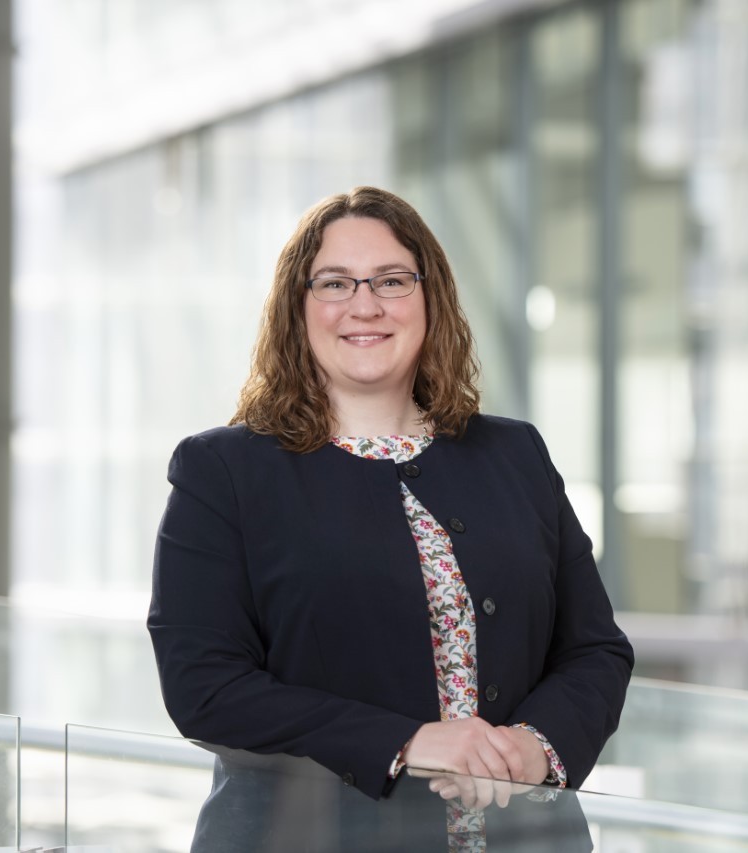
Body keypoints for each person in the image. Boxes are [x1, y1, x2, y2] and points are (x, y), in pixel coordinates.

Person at [149, 186, 634, 851]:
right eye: (335, 283)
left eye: (391, 280)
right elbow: (203, 685)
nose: (365, 304)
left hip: (524, 837)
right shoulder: (223, 470)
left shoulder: (515, 453)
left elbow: (594, 648)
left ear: (430, 298)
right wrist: (407, 742)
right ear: (298, 305)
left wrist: (534, 748)